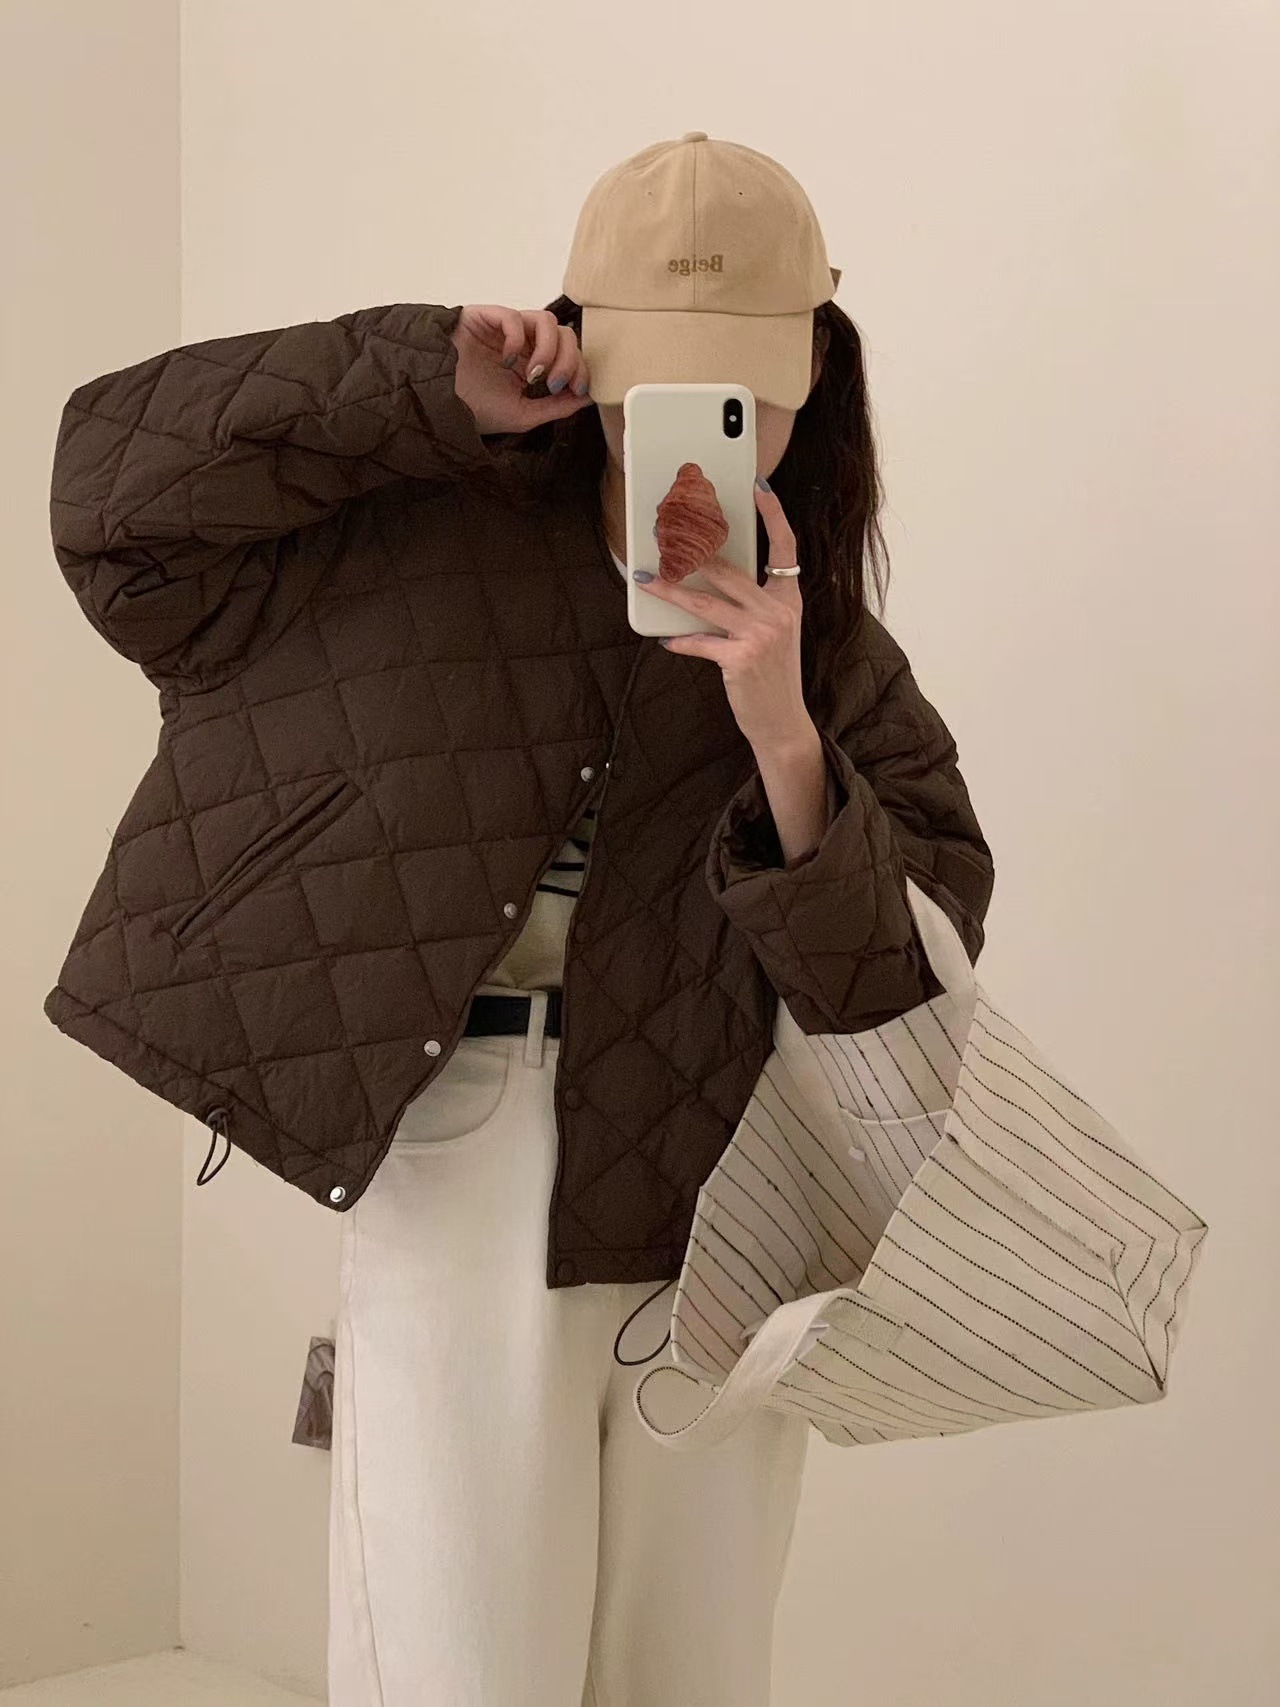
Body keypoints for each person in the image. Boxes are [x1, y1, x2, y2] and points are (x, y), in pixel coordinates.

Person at [42, 132, 994, 1706]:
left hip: (729, 1192)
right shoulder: (410, 520)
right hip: (463, 1148)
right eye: (657, 377)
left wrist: (782, 732)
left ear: (813, 373)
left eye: (741, 391)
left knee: (691, 1675)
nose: (695, 424)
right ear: (581, 344)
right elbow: (108, 500)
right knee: (460, 1666)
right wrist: (415, 381)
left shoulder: (824, 645)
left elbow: (909, 974)